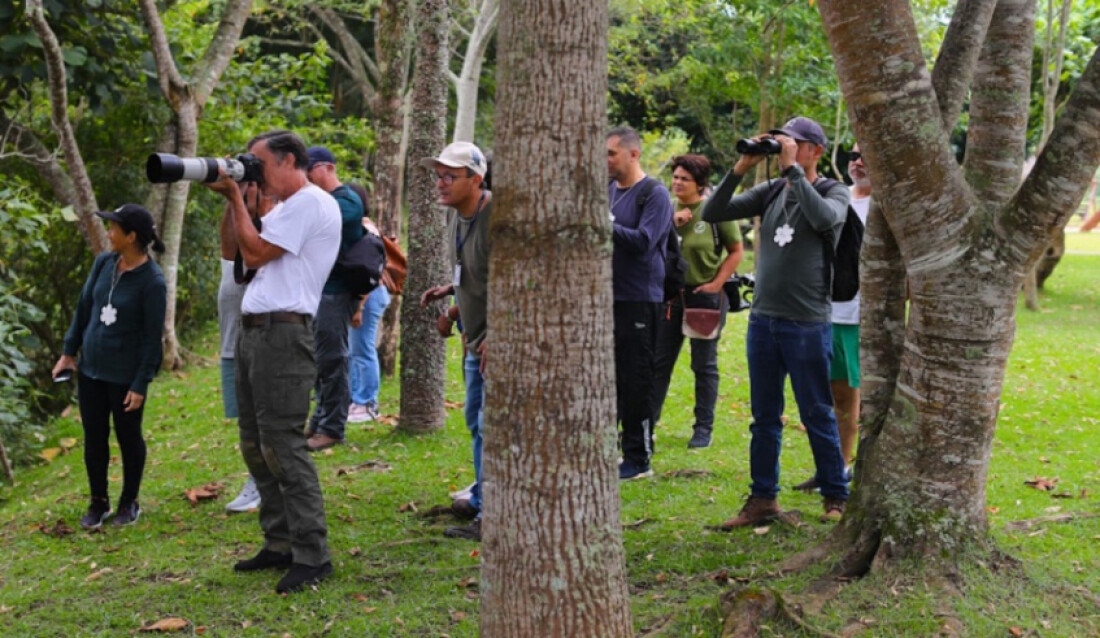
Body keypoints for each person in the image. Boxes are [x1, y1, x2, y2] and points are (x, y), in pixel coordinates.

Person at [204, 130, 339, 594]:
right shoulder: (281, 208)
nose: (253, 171)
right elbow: (233, 253)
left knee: (282, 444)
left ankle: (312, 555)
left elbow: (258, 251)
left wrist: (240, 201)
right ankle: (280, 541)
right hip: (255, 331)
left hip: (284, 333)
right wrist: (233, 199)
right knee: (253, 441)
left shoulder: (311, 202)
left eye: (257, 164)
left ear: (287, 160)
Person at [702, 116, 850, 526]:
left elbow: (823, 219)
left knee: (816, 412)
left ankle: (836, 496)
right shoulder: (770, 190)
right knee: (764, 417)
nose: (786, 148)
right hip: (764, 320)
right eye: (783, 142)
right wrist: (740, 169)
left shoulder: (833, 190)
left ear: (815, 150)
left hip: (806, 322)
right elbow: (714, 211)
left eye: (795, 143)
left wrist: (792, 170)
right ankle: (763, 499)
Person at [53, 204, 167, 530]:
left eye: (114, 228)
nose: (108, 232)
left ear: (131, 236)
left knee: (128, 437)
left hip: (125, 376)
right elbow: (84, 308)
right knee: (94, 437)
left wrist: (141, 383)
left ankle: (128, 501)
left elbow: (151, 339)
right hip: (91, 370)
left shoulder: (153, 282)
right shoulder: (104, 263)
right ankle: (98, 501)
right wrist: (68, 352)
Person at [419, 141, 491, 541]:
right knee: (475, 422)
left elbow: (514, 282)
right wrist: (451, 303)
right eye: (438, 175)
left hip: (494, 343)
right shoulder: (457, 219)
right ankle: (482, 499)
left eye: (451, 176)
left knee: (489, 425)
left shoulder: (496, 214)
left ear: (475, 180)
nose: (441, 183)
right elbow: (473, 274)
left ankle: (493, 513)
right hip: (472, 336)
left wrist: (499, 335)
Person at [651, 154, 743, 449]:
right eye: (675, 177)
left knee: (703, 364)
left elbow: (736, 250)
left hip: (704, 296)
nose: (677, 183)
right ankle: (646, 423)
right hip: (669, 296)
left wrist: (716, 284)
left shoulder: (715, 211)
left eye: (684, 179)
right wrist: (670, 223)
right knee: (658, 362)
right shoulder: (664, 208)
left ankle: (703, 429)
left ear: (699, 183)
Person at [795, 144, 870, 492]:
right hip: (814, 311)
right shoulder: (835, 197)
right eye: (853, 155)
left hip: (853, 317)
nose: (858, 161)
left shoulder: (886, 209)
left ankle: (839, 467)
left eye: (866, 155)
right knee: (816, 397)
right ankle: (826, 466)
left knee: (845, 398)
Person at [607, 126, 673, 480]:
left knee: (636, 380)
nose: (605, 160)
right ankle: (611, 451)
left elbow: (646, 241)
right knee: (609, 379)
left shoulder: (654, 194)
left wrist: (604, 226)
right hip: (607, 299)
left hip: (639, 300)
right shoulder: (606, 191)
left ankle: (639, 458)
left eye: (611, 153)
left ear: (633, 154)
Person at [302, 146, 365, 451]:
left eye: (309, 169)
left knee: (333, 359)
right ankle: (319, 421)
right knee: (320, 360)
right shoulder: (322, 201)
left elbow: (313, 225)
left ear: (327, 167)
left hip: (337, 292)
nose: (305, 177)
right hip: (319, 291)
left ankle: (332, 427)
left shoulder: (347, 202)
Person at [219, 181, 275, 513]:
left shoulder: (272, 229)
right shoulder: (237, 232)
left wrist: (257, 206)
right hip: (231, 343)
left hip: (262, 341)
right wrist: (232, 198)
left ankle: (264, 483)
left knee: (265, 419)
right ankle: (257, 478)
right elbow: (227, 251)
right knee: (245, 420)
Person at [344, 183, 391, 424]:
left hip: (370, 295)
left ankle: (368, 402)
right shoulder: (361, 226)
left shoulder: (365, 229)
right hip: (366, 295)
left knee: (363, 349)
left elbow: (367, 271)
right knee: (355, 350)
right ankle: (356, 399)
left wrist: (359, 306)